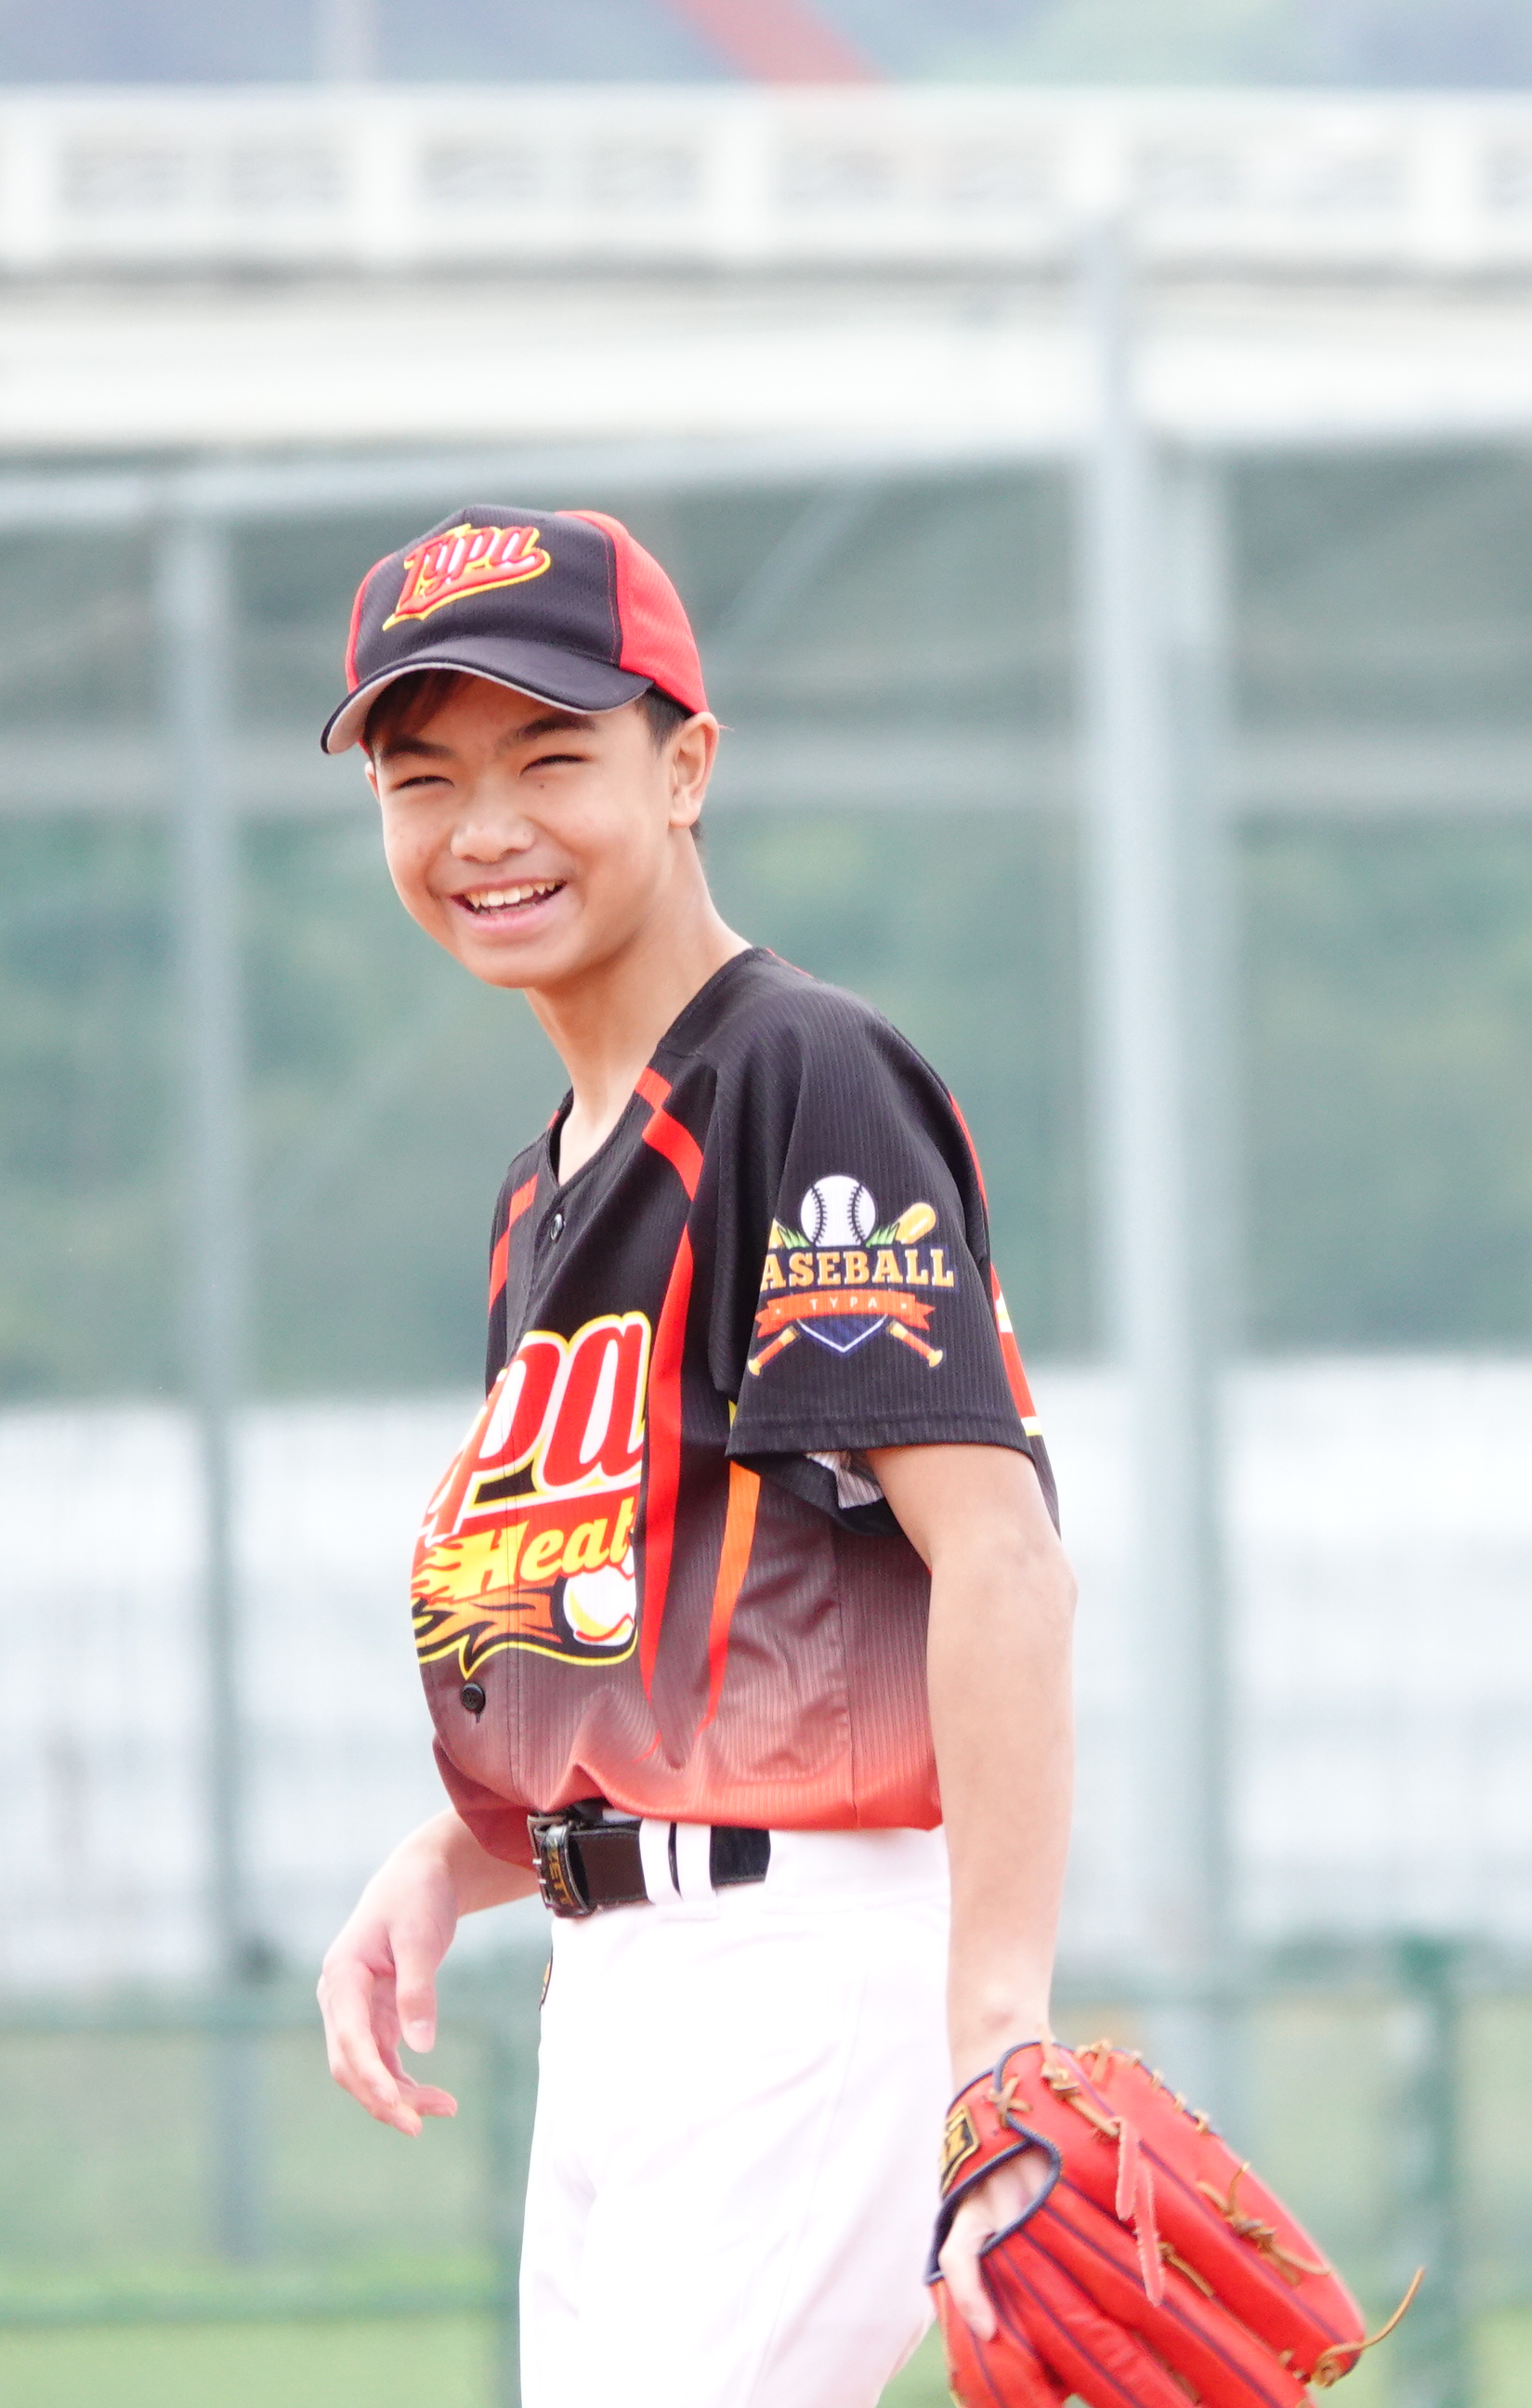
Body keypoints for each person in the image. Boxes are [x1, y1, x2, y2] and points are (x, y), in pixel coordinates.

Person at [309, 504, 1078, 2404]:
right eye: (425, 779)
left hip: (800, 1978)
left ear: (685, 767)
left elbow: (998, 1559)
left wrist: (998, 2030)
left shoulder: (795, 1079)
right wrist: (453, 1856)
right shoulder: (548, 1188)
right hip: (623, 1989)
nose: (485, 828)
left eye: (551, 757)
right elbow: (688, 1640)